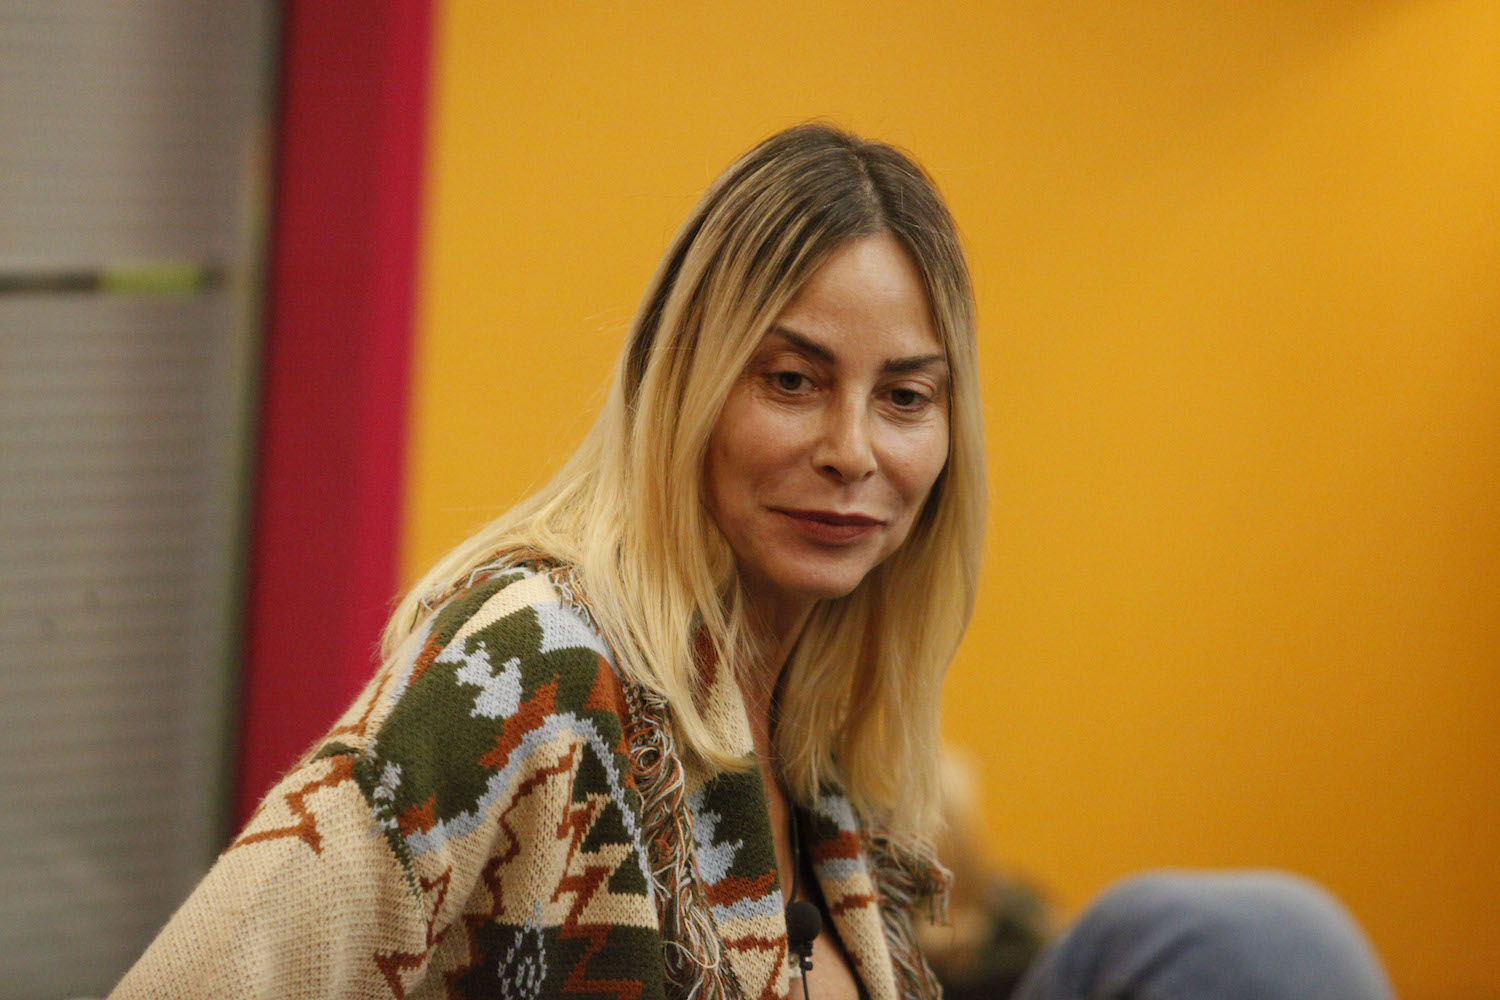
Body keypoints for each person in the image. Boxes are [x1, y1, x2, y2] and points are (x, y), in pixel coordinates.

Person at [111, 124, 1396, 1000]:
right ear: (688, 382)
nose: (853, 450)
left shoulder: (828, 744)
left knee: (1239, 941)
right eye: (792, 380)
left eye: (905, 397)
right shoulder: (531, 657)